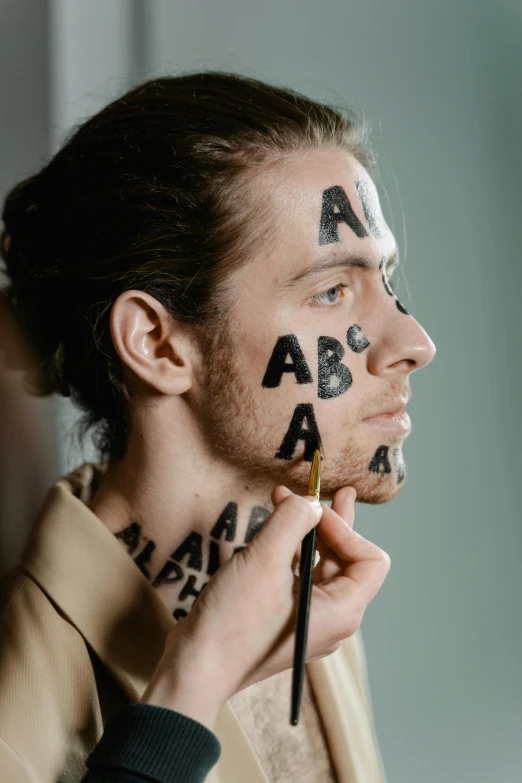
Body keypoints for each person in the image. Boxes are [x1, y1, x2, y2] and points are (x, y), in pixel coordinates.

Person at [0, 72, 435, 783]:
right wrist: (189, 689)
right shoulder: (15, 695)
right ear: (158, 343)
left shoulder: (313, 605)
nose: (415, 339)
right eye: (331, 290)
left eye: (384, 280)